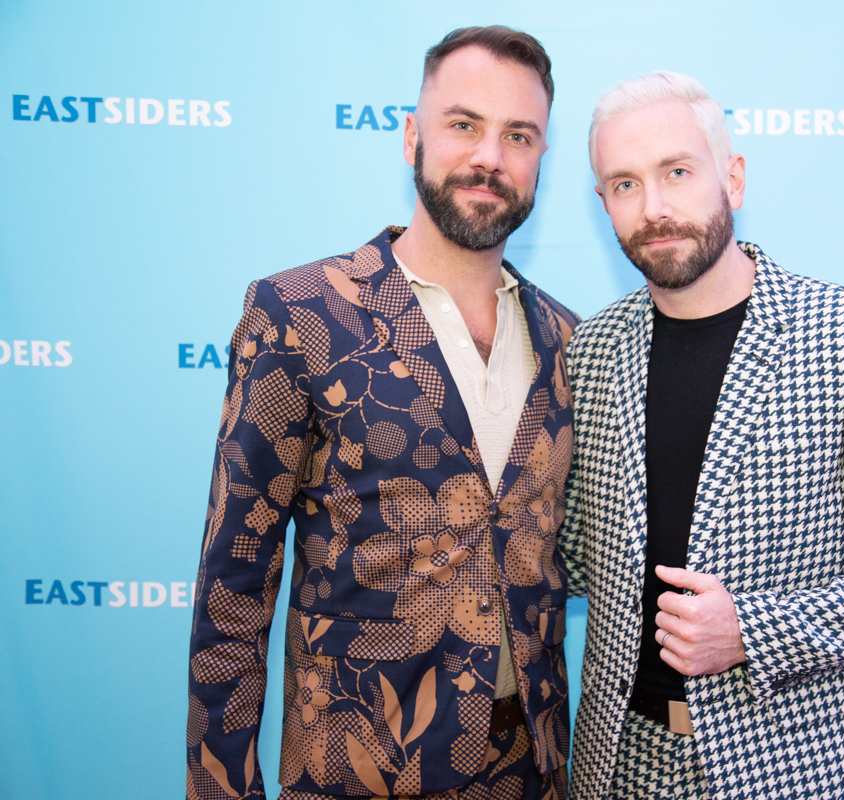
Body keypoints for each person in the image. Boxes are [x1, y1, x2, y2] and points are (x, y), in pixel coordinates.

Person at [186, 26, 578, 800]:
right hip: (356, 773)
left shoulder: (568, 339)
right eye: (463, 124)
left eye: (519, 136)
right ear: (411, 137)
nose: (489, 157)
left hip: (532, 772)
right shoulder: (299, 312)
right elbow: (233, 587)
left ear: (540, 159)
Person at [561, 71, 844, 800]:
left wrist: (753, 629)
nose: (653, 208)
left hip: (793, 773)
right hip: (619, 769)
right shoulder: (590, 351)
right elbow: (574, 557)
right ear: (604, 205)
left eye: (677, 172)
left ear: (734, 177)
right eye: (624, 185)